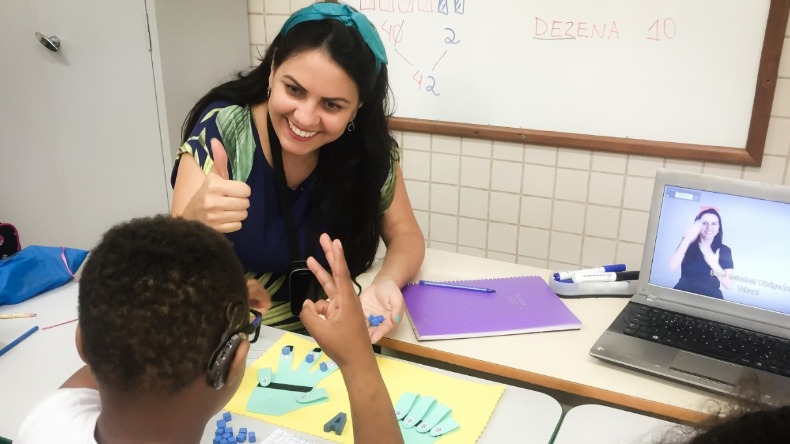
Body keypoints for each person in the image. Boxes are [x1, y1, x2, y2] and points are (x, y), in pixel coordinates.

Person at [15, 216, 403, 444]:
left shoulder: (46, 421)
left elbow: (117, 338)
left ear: (81, 340)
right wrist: (358, 362)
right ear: (232, 363)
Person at [169, 2, 424, 341]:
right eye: (294, 90)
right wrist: (195, 219)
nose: (304, 118)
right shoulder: (224, 130)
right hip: (233, 338)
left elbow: (406, 235)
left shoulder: (368, 150)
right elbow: (170, 259)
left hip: (335, 336)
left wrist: (385, 282)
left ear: (358, 107)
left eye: (331, 105)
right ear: (272, 70)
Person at [669, 207, 734, 299]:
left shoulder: (724, 250)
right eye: (704, 223)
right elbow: (672, 267)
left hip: (711, 298)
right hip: (682, 294)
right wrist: (687, 239)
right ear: (697, 225)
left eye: (714, 224)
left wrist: (714, 264)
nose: (709, 227)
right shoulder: (687, 242)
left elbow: (729, 284)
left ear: (719, 227)